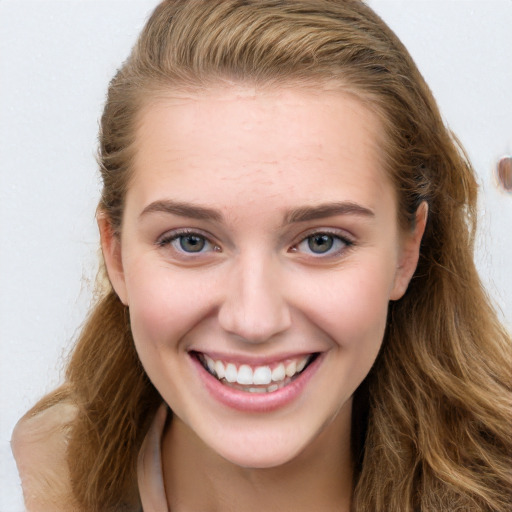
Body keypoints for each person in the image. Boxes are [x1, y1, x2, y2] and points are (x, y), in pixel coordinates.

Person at [11, 0, 512, 511]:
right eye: (191, 241)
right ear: (115, 255)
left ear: (407, 252)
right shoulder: (55, 475)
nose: (254, 320)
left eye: (322, 241)